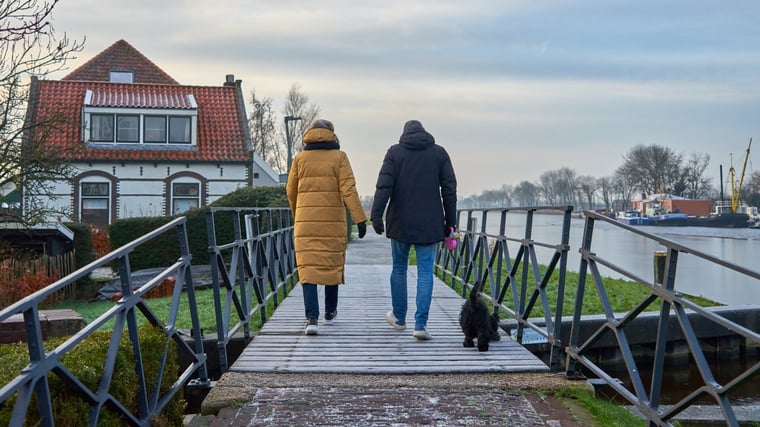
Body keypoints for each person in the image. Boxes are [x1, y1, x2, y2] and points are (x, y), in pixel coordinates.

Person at [370, 119, 457, 340]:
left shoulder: (394, 153)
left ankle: (399, 318)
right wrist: (450, 222)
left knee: (399, 269)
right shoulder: (439, 153)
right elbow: (449, 189)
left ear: (405, 134)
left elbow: (384, 186)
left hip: (400, 221)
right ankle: (420, 325)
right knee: (425, 273)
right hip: (430, 224)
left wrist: (376, 215)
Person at [287, 119, 368, 335]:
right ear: (331, 134)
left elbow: (290, 191)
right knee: (331, 264)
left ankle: (311, 319)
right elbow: (348, 189)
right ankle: (330, 312)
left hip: (305, 223)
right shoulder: (340, 157)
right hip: (333, 222)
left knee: (308, 269)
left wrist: (299, 215)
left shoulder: (300, 159)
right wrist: (360, 218)